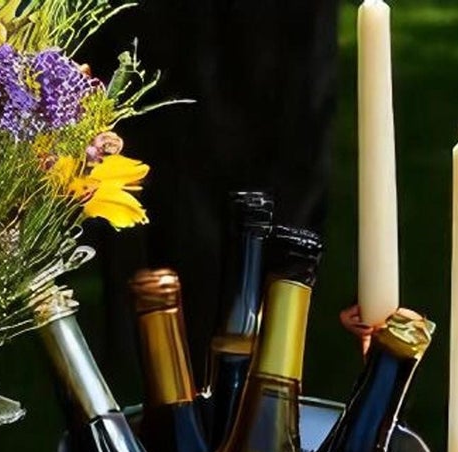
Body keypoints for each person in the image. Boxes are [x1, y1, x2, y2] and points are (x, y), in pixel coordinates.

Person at [86, 0, 340, 378]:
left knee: (282, 193)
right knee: (167, 188)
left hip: (280, 45)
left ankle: (267, 364)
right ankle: (167, 367)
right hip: (168, 45)